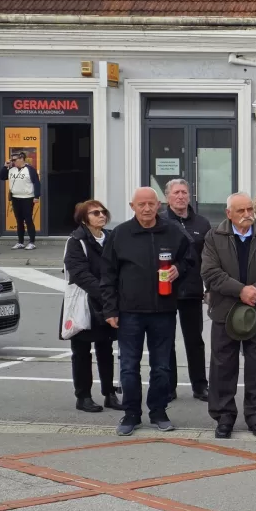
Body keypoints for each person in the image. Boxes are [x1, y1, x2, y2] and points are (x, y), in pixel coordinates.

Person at [102, 187, 193, 436]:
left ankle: (158, 411)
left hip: (163, 310)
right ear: (132, 206)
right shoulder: (120, 234)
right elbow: (107, 275)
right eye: (141, 204)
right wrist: (110, 309)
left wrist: (178, 269)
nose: (146, 209)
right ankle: (131, 413)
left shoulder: (173, 231)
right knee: (129, 367)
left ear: (159, 205)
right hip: (129, 311)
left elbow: (190, 259)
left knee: (162, 366)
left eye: (151, 204)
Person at [201, 193, 256, 439]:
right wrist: (241, 291)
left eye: (250, 209)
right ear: (229, 213)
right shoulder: (214, 236)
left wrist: (255, 291)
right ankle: (224, 417)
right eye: (241, 210)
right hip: (224, 311)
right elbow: (210, 272)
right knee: (222, 366)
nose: (247, 214)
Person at [63, 200, 122, 413]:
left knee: (106, 348)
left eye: (103, 211)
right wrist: (106, 293)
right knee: (81, 351)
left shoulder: (110, 237)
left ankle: (109, 394)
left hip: (107, 301)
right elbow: (79, 274)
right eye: (95, 213)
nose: (101, 215)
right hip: (85, 303)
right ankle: (83, 396)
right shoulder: (76, 241)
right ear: (84, 218)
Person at [164, 179, 212, 403]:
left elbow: (211, 259)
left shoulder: (202, 223)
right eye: (176, 193)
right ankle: (169, 386)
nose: (181, 196)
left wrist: (210, 287)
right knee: (166, 340)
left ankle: (200, 386)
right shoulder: (160, 221)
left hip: (193, 290)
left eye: (184, 192)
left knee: (195, 340)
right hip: (165, 290)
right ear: (168, 198)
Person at [0, 151, 40, 250]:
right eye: (11, 160)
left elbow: (37, 183)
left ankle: (32, 242)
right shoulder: (11, 169)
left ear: (22, 159)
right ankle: (20, 242)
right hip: (15, 198)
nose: (12, 161)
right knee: (19, 221)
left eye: (14, 160)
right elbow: (2, 177)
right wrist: (5, 166)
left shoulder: (30, 170)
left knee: (28, 220)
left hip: (27, 198)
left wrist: (36, 196)